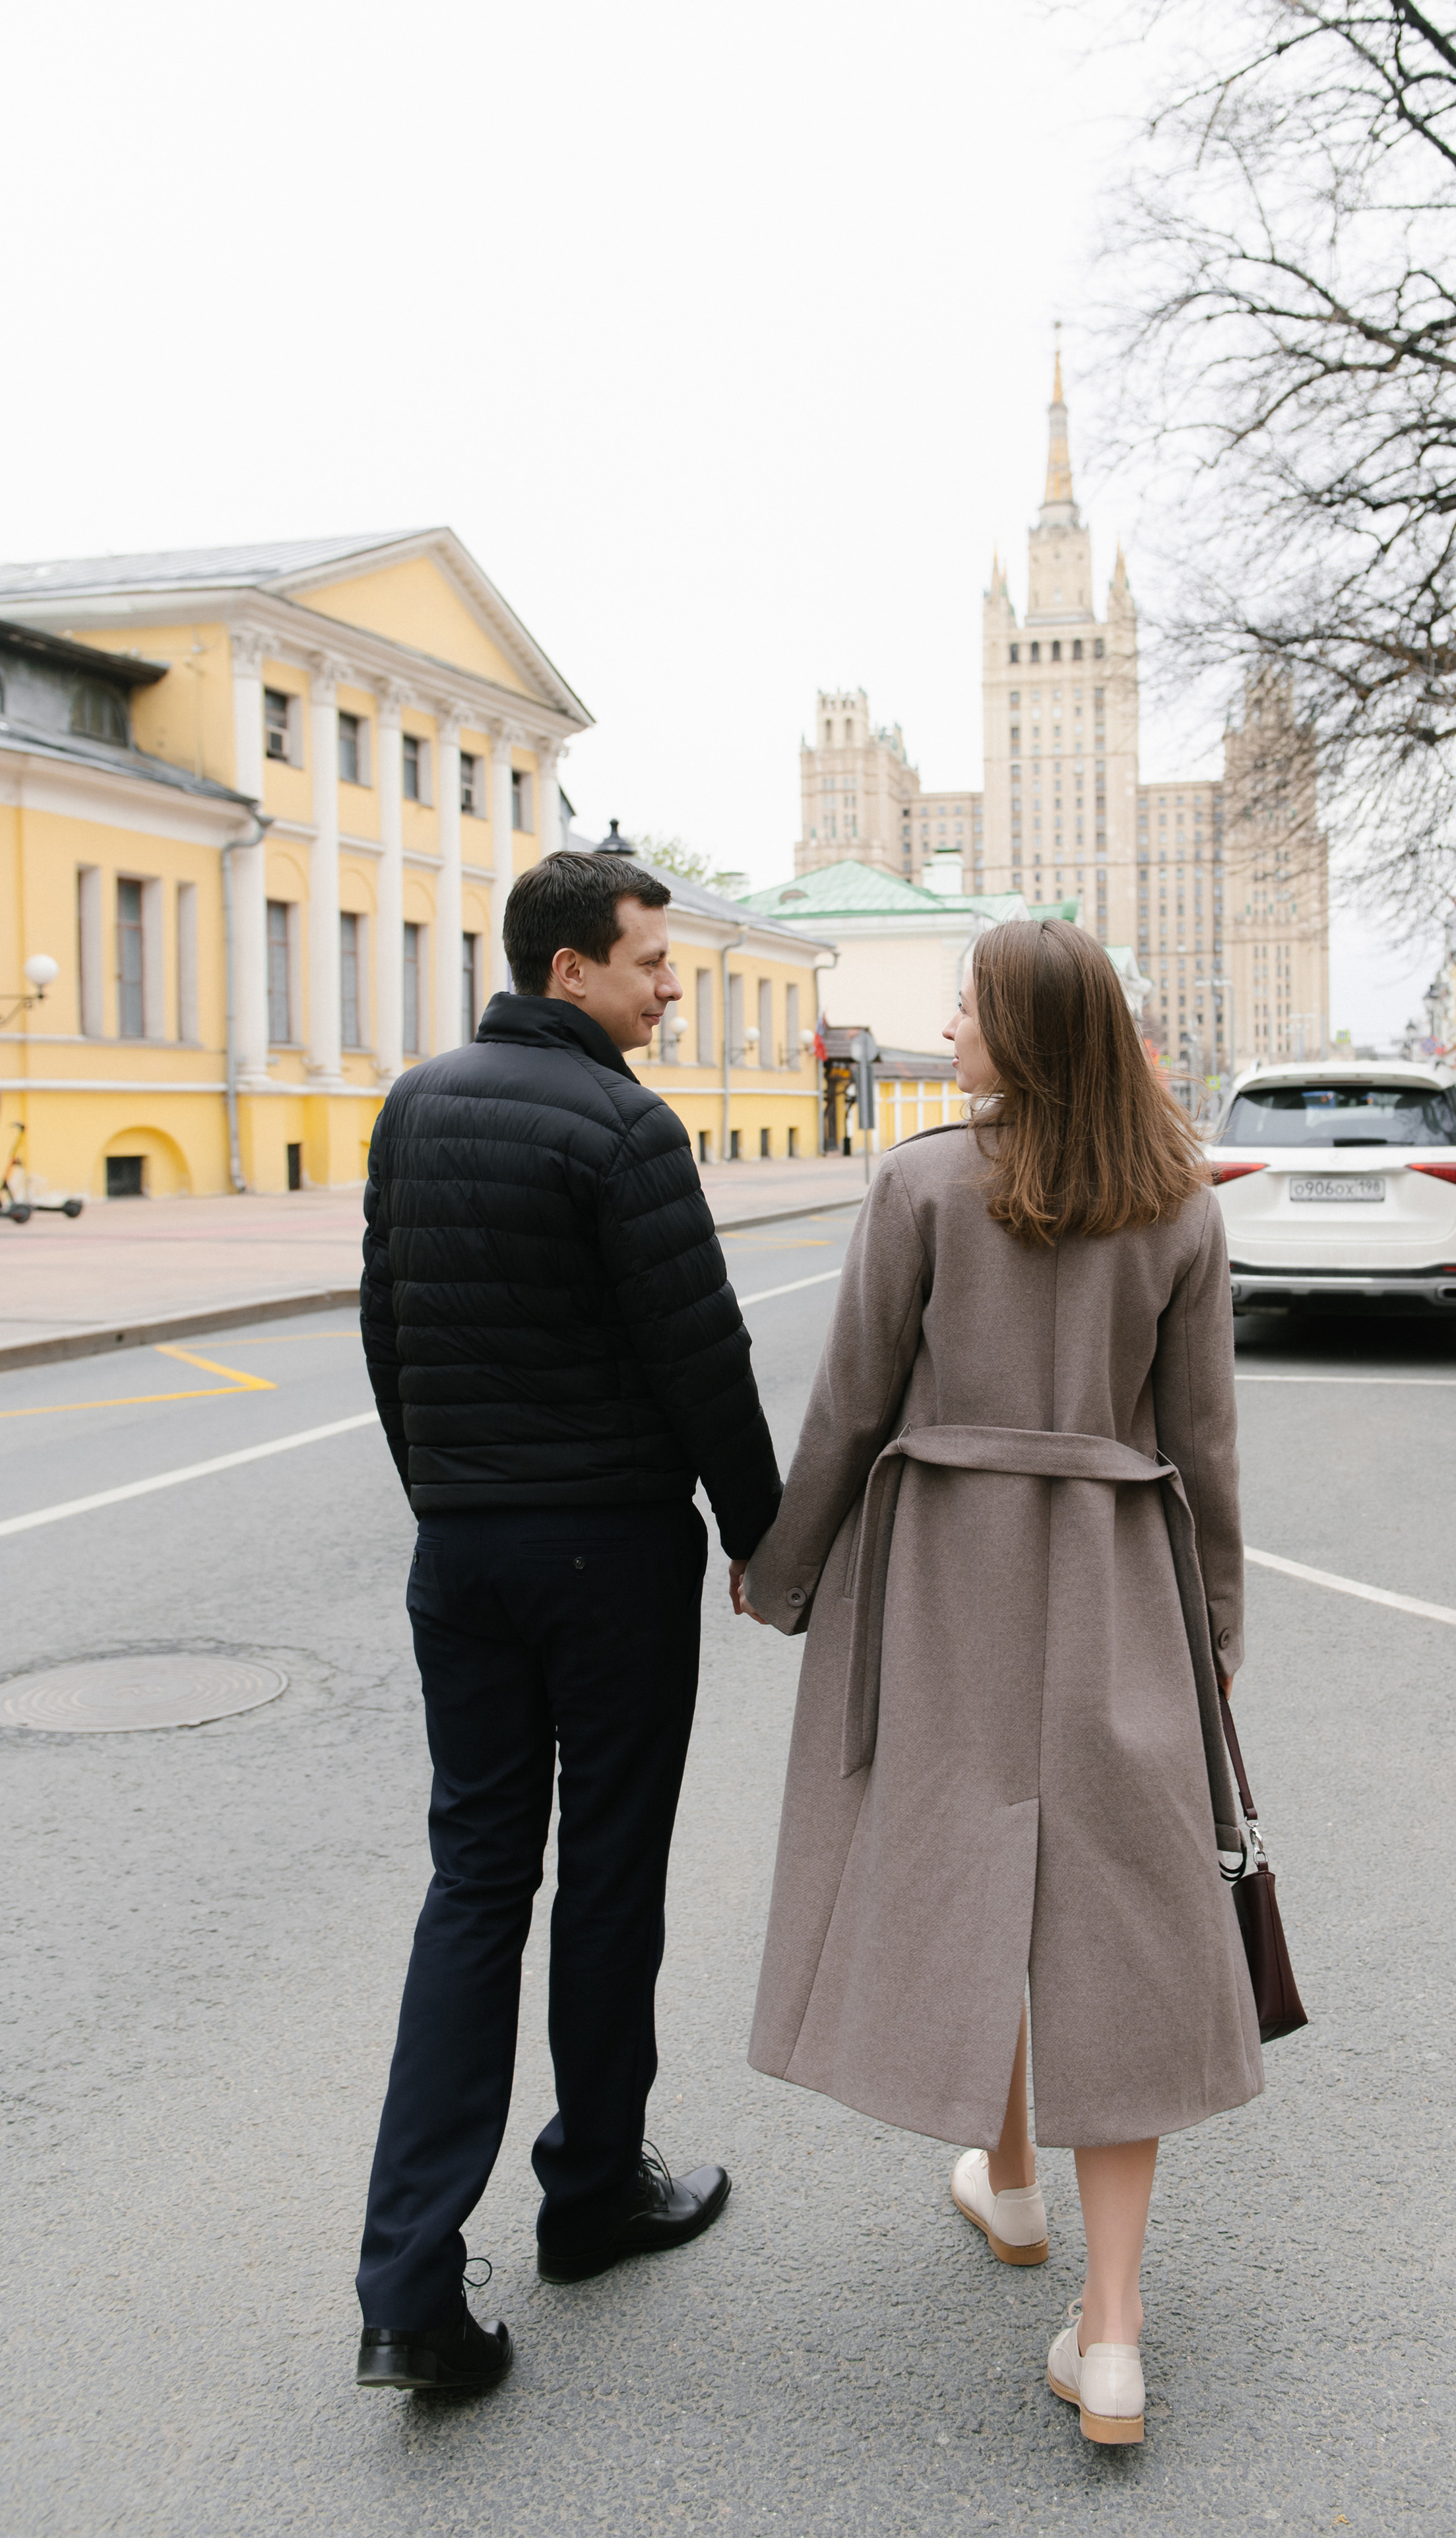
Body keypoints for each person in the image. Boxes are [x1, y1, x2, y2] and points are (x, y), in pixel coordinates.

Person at [734, 919, 1263, 2446]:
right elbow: (1204, 1447)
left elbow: (846, 1406)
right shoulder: (1175, 1205)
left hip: (944, 1577)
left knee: (977, 1869)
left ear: (1019, 1033)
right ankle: (1102, 2325)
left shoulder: (914, 1183)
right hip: (1111, 1580)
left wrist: (781, 1574)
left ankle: (1016, 2192)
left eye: (964, 1008)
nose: (948, 1029)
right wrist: (1210, 1626)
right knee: (1111, 1918)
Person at [354, 849, 782, 2394]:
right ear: (568, 976)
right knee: (604, 1875)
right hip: (606, 1554)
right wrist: (760, 1539)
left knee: (473, 1885)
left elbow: (385, 1328)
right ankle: (591, 2188)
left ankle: (408, 2288)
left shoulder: (412, 1105)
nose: (670, 982)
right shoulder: (624, 1124)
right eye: (649, 960)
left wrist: (450, 1497)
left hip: (460, 1557)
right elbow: (702, 1360)